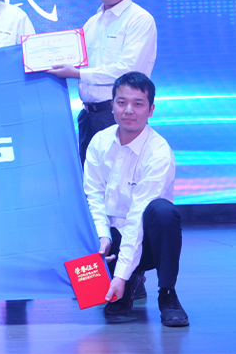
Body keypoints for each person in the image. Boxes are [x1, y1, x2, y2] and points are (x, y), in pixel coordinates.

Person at [83, 72, 188, 327]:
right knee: (97, 296)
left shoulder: (159, 152)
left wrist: (120, 274)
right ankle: (127, 282)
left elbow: (137, 216)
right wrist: (102, 237)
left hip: (147, 241)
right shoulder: (99, 142)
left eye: (138, 104)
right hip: (111, 240)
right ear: (112, 105)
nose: (128, 110)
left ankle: (167, 293)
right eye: (121, 102)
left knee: (163, 212)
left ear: (151, 110)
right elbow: (92, 196)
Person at [46, 0, 157, 166]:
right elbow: (74, 60)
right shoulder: (92, 23)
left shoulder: (140, 19)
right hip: (89, 117)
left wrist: (76, 73)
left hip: (119, 115)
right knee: (91, 180)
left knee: (120, 177)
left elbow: (126, 71)